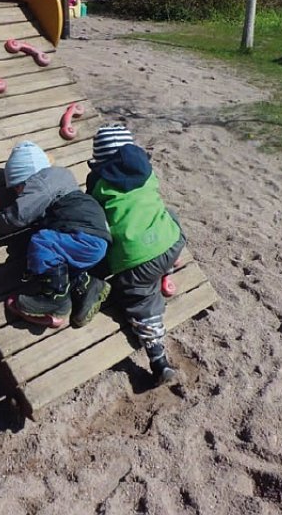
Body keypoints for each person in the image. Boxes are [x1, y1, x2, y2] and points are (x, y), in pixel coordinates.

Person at [86, 124, 186, 385]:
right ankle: (169, 266)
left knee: (139, 303)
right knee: (169, 215)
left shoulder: (98, 183)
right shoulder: (146, 170)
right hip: (171, 242)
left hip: (137, 261)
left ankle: (158, 361)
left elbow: (96, 220)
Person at [0, 141, 111, 329]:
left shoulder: (41, 182)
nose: (17, 194)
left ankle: (54, 299)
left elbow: (20, 214)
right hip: (95, 239)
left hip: (85, 237)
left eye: (17, 188)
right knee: (61, 262)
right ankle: (87, 285)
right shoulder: (62, 181)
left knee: (44, 243)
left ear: (25, 178)